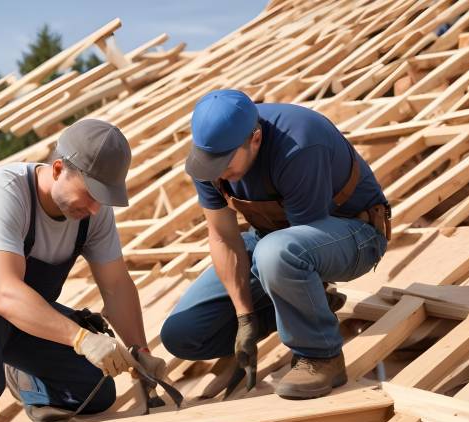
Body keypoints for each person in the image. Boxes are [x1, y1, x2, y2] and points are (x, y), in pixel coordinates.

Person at [0, 119, 166, 422]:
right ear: (57, 169)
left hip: (26, 316)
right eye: (91, 194)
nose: (96, 208)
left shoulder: (94, 213)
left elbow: (116, 286)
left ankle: (28, 382)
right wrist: (82, 339)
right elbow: (4, 293)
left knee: (95, 392)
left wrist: (140, 353)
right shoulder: (3, 192)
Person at [160, 90, 390, 400]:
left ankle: (322, 356)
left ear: (255, 139)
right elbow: (223, 237)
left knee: (278, 253)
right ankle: (297, 310)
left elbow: (303, 237)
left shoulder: (299, 143)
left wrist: (312, 295)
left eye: (225, 163)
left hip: (353, 234)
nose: (218, 172)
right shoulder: (209, 161)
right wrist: (244, 318)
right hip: (273, 238)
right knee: (183, 335)